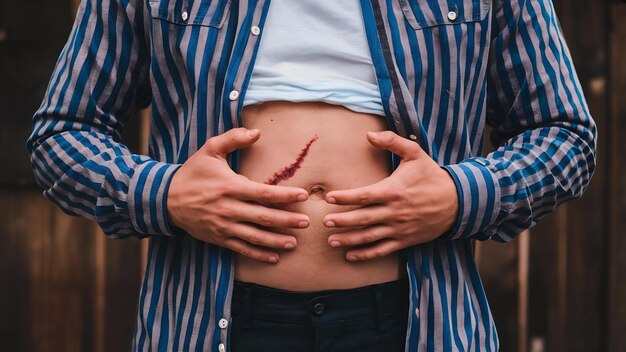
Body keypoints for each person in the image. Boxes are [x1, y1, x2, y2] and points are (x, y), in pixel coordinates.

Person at [27, 0, 596, 350]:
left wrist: (459, 195)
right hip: (210, 320)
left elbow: (563, 133)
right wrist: (166, 194)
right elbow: (61, 133)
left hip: (414, 321)